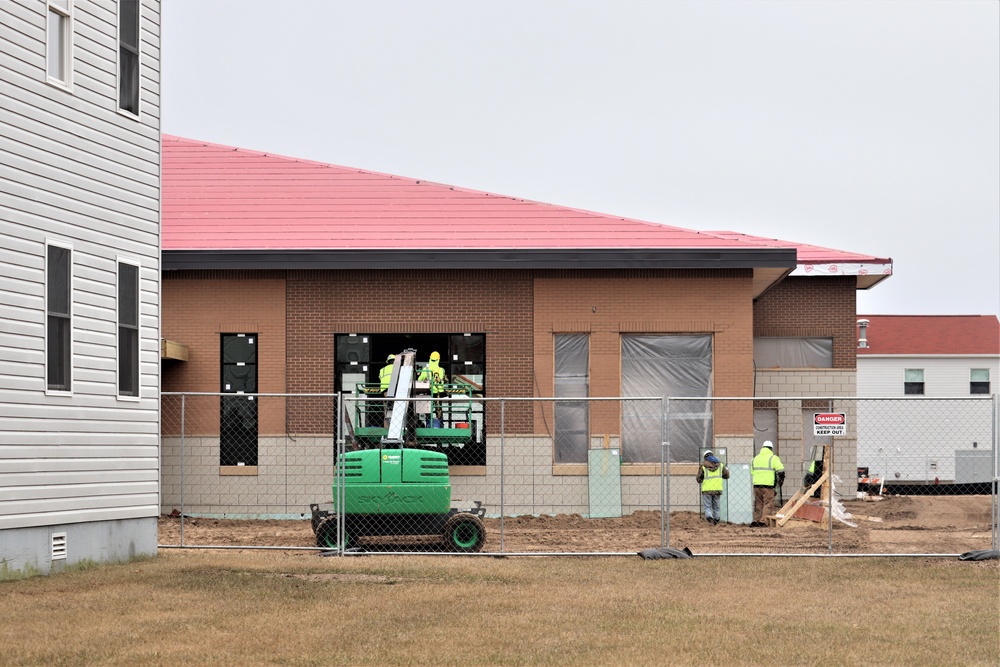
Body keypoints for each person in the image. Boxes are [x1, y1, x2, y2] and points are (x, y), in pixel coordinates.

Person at [751, 441, 785, 526]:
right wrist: (780, 482)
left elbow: (752, 472)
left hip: (756, 485)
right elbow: (781, 471)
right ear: (771, 448)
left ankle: (756, 521)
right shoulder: (773, 458)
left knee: (758, 503)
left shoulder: (755, 458)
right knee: (768, 503)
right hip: (768, 486)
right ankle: (763, 521)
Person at [696, 450, 729, 525]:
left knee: (708, 506)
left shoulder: (703, 466)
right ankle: (716, 519)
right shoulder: (721, 465)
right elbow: (726, 476)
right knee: (716, 506)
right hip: (717, 489)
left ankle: (710, 518)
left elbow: (699, 479)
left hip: (707, 490)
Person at [418, 351, 447, 424]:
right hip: (438, 394)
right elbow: (443, 380)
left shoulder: (425, 369)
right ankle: (440, 425)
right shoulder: (442, 370)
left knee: (428, 410)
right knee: (439, 410)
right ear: (438, 360)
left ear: (430, 359)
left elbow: (419, 380)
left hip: (429, 392)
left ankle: (428, 424)